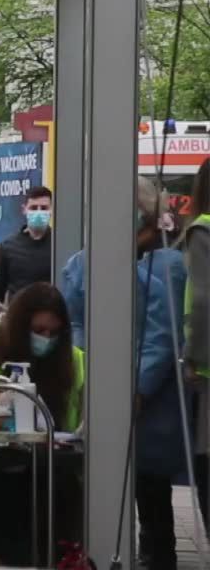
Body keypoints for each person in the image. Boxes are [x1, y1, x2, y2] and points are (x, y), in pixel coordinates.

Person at [60, 175, 187, 570]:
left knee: (150, 486)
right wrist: (83, 367)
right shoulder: (83, 261)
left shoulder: (168, 264)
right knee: (93, 478)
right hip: (93, 386)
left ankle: (157, 556)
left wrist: (137, 388)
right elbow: (72, 319)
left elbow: (162, 337)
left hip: (149, 397)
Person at [0, 283, 85, 566]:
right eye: (39, 330)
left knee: (55, 496)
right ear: (20, 325)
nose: (46, 339)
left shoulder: (73, 360)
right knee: (4, 497)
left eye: (53, 333)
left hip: (54, 466)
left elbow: (86, 410)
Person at [182, 158, 210, 531]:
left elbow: (203, 300)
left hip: (209, 366)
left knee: (206, 460)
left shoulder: (203, 230)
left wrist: (192, 356)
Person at [0, 186, 54, 303]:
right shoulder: (8, 246)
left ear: (51, 210)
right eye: (33, 208)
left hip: (50, 311)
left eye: (44, 208)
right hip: (18, 312)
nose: (38, 212)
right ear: (24, 210)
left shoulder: (58, 245)